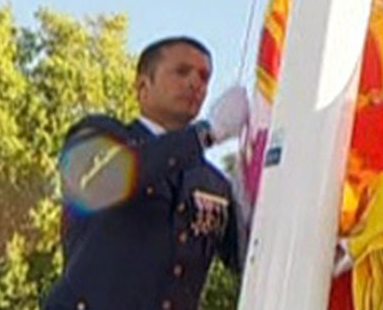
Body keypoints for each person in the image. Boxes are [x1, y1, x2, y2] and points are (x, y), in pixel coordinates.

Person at [44, 36, 249, 310]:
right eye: (181, 71)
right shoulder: (98, 135)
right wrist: (205, 134)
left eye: (203, 77)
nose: (195, 83)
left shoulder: (212, 182)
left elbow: (244, 259)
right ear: (143, 86)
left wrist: (254, 196)